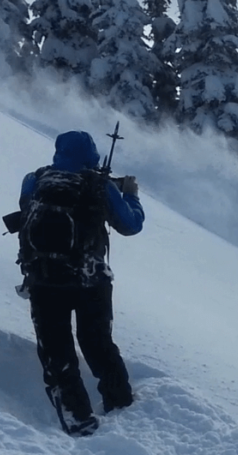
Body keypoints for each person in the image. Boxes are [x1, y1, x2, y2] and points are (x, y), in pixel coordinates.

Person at [16, 130, 144, 437]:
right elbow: (131, 225)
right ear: (93, 155)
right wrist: (130, 195)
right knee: (97, 343)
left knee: (56, 352)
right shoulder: (99, 184)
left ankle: (78, 421)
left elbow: (25, 211)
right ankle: (121, 404)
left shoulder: (35, 179)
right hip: (91, 280)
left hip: (44, 279)